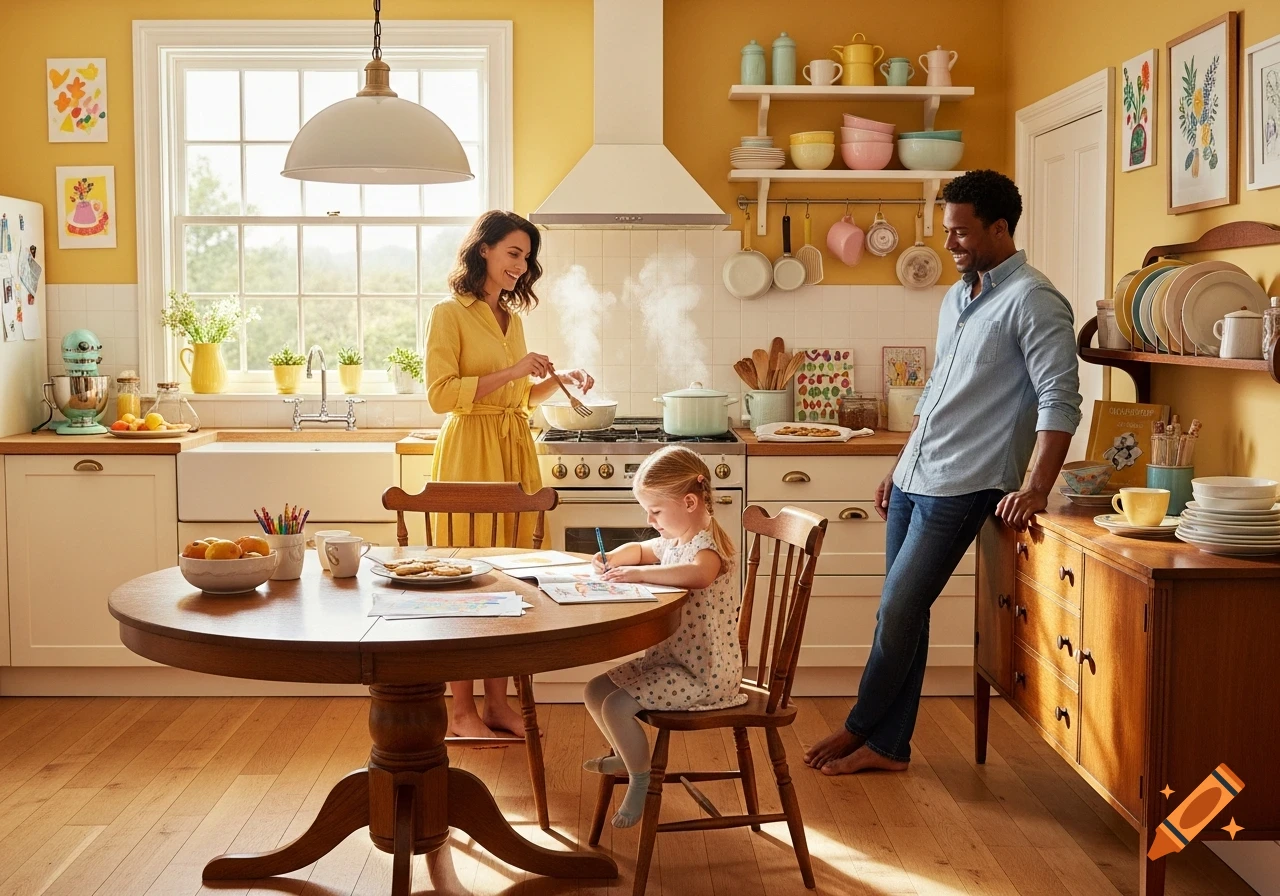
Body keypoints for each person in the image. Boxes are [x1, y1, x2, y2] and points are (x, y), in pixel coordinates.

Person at [803, 169, 1083, 776]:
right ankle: (890, 747)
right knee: (909, 609)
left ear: (1000, 227)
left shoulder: (1033, 300)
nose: (949, 243)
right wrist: (899, 463)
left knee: (897, 610)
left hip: (967, 483)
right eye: (947, 231)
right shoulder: (958, 295)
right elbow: (936, 390)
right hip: (915, 477)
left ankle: (858, 729)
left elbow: (1060, 399)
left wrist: (1035, 486)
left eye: (960, 233)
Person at [426, 209, 594, 739]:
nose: (521, 266)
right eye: (513, 254)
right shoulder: (449, 313)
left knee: (509, 577)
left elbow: (516, 393)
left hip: (513, 447)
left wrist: (556, 379)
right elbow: (440, 395)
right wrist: (516, 370)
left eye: (526, 258)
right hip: (470, 451)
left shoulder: (511, 319)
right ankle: (460, 713)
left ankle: (497, 705)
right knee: (463, 578)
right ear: (484, 251)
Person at [582, 446, 742, 828]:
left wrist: (639, 575)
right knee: (595, 690)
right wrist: (616, 557)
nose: (649, 519)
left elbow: (698, 574)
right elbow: (641, 549)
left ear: (689, 501)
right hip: (671, 661)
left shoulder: (708, 547)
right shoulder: (675, 539)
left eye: (655, 511)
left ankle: (641, 777)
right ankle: (627, 754)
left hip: (705, 674)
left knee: (617, 706)